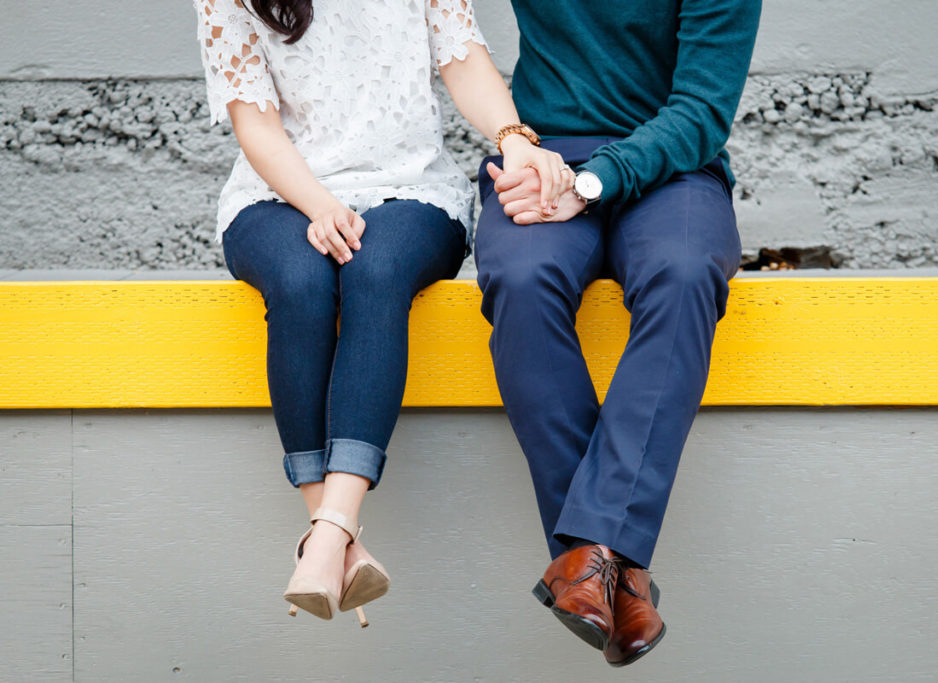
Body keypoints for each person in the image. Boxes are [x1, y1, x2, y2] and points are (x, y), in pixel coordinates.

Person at [192, 0, 572, 625]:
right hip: (280, 193)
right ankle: (336, 539)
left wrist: (512, 137)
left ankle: (325, 537)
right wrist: (319, 204)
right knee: (299, 281)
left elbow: (463, 58)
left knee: (374, 271)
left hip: (410, 188)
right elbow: (255, 126)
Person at [474, 0, 762, 665]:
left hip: (674, 163)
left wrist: (596, 181)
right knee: (520, 279)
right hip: (544, 155)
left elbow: (702, 111)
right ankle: (615, 572)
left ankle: (584, 562)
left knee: (687, 272)